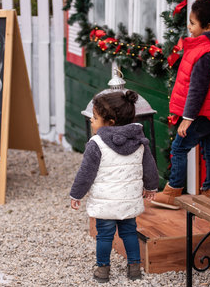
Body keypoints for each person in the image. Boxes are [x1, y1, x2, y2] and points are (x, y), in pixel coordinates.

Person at [151, 0, 210, 209]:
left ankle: (173, 192)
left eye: (192, 23)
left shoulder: (206, 51)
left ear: (208, 27)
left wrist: (188, 118)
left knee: (179, 148)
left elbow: (197, 89)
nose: (188, 27)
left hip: (201, 113)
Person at [70, 90, 158, 283]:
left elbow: (86, 173)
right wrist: (151, 187)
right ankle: (134, 268)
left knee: (104, 236)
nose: (92, 121)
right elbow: (150, 167)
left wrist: (76, 194)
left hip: (106, 203)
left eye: (95, 117)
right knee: (129, 232)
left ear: (109, 122)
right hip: (128, 200)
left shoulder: (96, 144)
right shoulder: (139, 142)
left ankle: (103, 270)